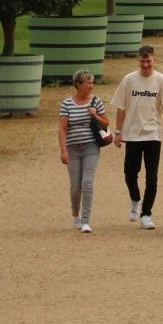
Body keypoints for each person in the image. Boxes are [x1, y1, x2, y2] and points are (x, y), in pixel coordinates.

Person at [110, 43, 163, 226]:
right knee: (129, 173)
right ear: (137, 60)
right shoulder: (129, 80)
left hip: (152, 134)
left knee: (152, 177)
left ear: (154, 60)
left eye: (148, 61)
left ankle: (146, 214)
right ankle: (135, 200)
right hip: (132, 134)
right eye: (142, 61)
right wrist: (118, 131)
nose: (145, 65)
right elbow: (121, 108)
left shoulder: (161, 80)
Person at [58, 68, 108, 231]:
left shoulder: (96, 101)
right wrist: (63, 150)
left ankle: (86, 220)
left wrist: (95, 116)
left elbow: (106, 123)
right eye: (88, 83)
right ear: (78, 84)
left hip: (90, 147)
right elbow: (62, 129)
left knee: (87, 183)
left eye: (92, 82)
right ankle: (75, 214)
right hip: (73, 148)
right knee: (75, 186)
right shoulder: (67, 103)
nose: (91, 86)